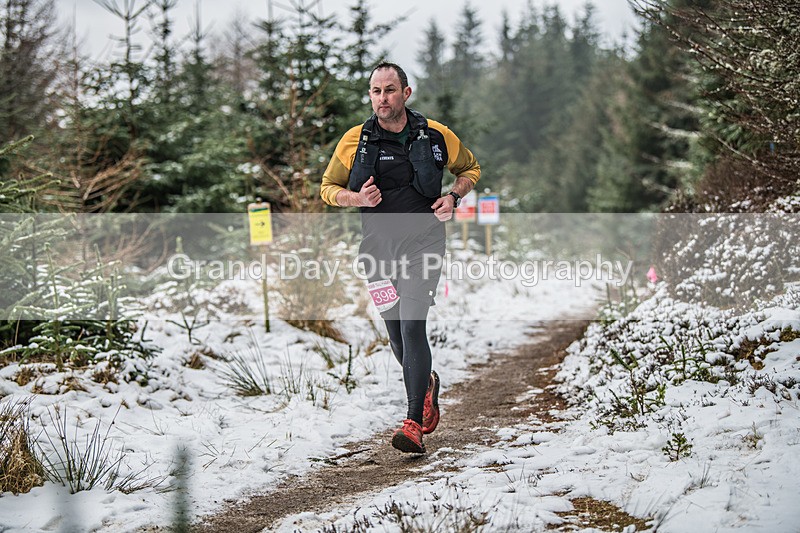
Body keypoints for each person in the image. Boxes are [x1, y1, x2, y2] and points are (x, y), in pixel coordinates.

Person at [320, 62, 481, 453]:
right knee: (395, 336)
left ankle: (412, 422)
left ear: (406, 93)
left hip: (424, 243)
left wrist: (453, 197)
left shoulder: (437, 135)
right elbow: (327, 189)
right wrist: (356, 198)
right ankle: (425, 384)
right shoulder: (354, 140)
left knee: (411, 326)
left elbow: (470, 169)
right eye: (376, 91)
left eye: (389, 90)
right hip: (376, 251)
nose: (382, 98)